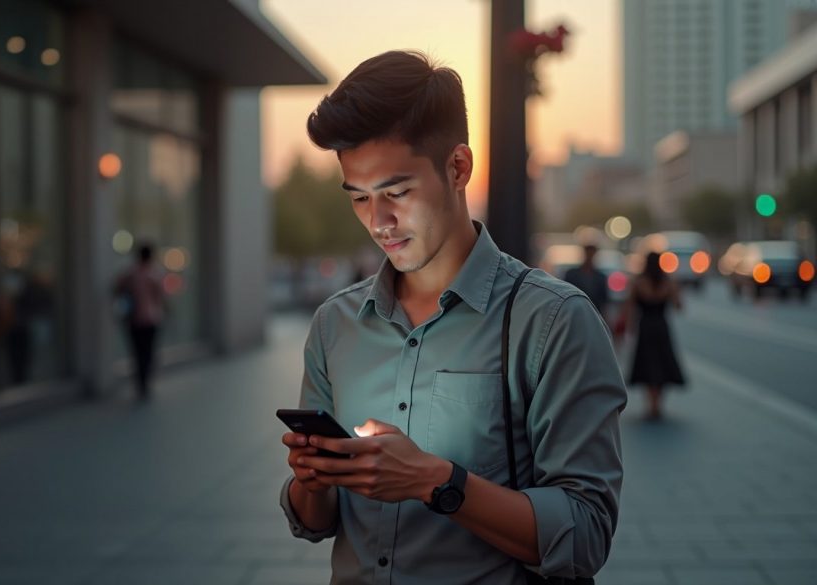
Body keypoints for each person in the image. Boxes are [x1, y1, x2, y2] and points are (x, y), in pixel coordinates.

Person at [278, 50, 627, 584]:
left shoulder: (554, 322)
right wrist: (312, 479)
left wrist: (437, 481)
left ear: (458, 167)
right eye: (360, 199)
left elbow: (584, 535)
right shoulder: (335, 324)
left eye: (397, 193)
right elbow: (313, 523)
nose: (379, 222)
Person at [619, 251, 685, 420]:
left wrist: (627, 327)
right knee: (662, 363)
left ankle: (651, 404)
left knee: (647, 363)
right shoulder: (667, 282)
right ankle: (658, 404)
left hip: (645, 327)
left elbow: (629, 306)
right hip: (661, 326)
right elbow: (679, 306)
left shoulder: (638, 282)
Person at [113, 244, 165, 402]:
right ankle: (144, 383)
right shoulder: (153, 274)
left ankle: (140, 383)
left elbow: (116, 290)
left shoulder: (130, 274)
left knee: (137, 353)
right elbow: (160, 297)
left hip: (134, 320)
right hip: (150, 319)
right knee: (148, 352)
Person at [563, 244, 609, 316]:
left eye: (591, 254)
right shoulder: (572, 274)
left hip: (594, 312)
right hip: (576, 311)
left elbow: (604, 300)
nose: (589, 256)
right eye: (588, 253)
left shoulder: (600, 277)